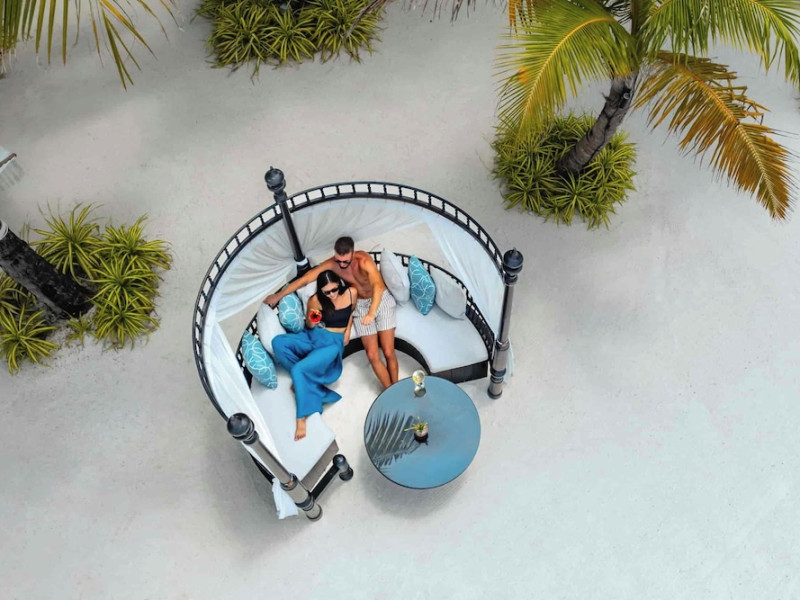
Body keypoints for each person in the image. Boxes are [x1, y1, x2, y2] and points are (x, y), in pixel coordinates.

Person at [264, 236, 398, 389]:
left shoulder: (364, 261)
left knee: (388, 352)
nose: (342, 265)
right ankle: (390, 391)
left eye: (345, 261)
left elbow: (378, 286)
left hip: (380, 299)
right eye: (338, 260)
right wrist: (278, 296)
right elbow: (305, 280)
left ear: (352, 253)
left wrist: (371, 313)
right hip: (360, 305)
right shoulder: (333, 265)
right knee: (372, 355)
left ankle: (397, 388)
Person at [271, 270, 357, 441]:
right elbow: (310, 325)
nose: (332, 295)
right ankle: (306, 380)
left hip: (332, 343)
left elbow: (351, 312)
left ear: (339, 284)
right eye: (327, 292)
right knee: (278, 343)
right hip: (313, 335)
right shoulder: (316, 300)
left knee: (298, 370)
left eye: (334, 289)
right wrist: (314, 317)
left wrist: (347, 331)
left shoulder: (351, 292)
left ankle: (302, 416)